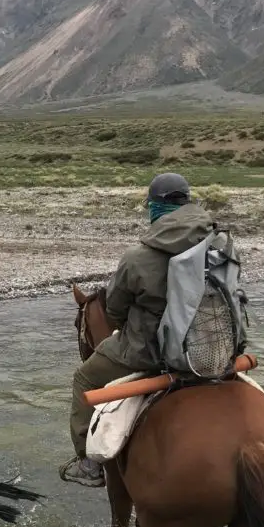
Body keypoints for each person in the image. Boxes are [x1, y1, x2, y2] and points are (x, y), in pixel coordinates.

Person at [60, 173, 216, 487]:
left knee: (83, 378)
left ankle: (88, 464)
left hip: (150, 353)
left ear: (155, 208)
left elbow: (114, 311)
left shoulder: (138, 257)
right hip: (210, 347)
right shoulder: (217, 243)